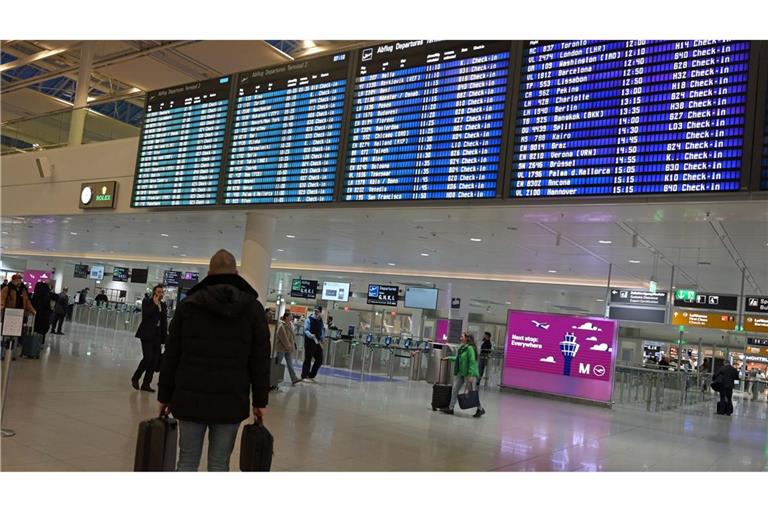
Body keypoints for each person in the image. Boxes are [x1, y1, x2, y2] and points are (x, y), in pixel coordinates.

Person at [158, 249, 271, 472]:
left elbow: (171, 354)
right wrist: (260, 401)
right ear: (236, 272)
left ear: (209, 273)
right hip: (231, 399)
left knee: (187, 459)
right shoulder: (253, 309)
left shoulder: (189, 305)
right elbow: (260, 359)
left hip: (190, 397)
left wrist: (164, 395)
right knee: (219, 463)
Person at [131, 284, 167, 392]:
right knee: (148, 358)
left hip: (158, 336)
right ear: (154, 292)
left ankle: (146, 384)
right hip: (147, 335)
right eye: (159, 291)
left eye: (162, 292)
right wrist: (155, 305)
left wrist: (164, 338)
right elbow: (146, 315)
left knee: (154, 361)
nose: (161, 294)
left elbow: (164, 322)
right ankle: (135, 377)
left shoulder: (164, 305)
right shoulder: (147, 301)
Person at [441, 332, 485, 418]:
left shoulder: (470, 349)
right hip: (461, 373)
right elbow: (458, 359)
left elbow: (472, 362)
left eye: (462, 336)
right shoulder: (462, 348)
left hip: (468, 374)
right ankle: (450, 408)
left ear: (467, 338)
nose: (460, 337)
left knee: (471, 393)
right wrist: (449, 358)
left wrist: (471, 375)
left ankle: (480, 408)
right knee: (455, 389)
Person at [275, 312, 302, 385]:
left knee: (290, 364)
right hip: (281, 348)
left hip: (288, 349)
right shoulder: (281, 326)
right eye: (290, 316)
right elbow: (283, 338)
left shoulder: (290, 325)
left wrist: (292, 346)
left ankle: (294, 378)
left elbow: (292, 337)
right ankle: (274, 378)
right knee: (278, 364)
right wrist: (289, 346)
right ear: (286, 317)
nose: (292, 317)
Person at [302, 305, 325, 383]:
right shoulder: (309, 319)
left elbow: (321, 331)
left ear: (320, 312)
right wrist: (310, 335)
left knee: (319, 359)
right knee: (308, 358)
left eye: (318, 311)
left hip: (317, 342)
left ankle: (311, 375)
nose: (316, 312)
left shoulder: (320, 320)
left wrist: (322, 339)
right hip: (309, 341)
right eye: (315, 311)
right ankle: (304, 375)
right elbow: (306, 330)